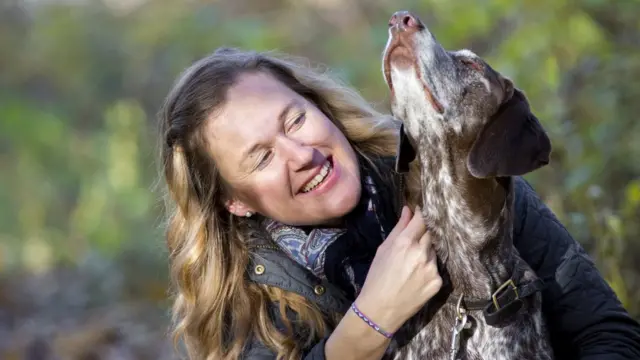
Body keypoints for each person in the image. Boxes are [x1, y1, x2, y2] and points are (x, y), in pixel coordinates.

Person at [157, 47, 640, 360]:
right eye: (262, 157)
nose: (301, 156)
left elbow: (606, 333)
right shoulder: (245, 301)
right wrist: (367, 324)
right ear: (235, 203)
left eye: (294, 121)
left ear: (320, 106)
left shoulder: (455, 176)